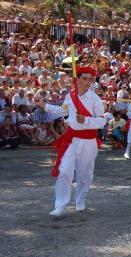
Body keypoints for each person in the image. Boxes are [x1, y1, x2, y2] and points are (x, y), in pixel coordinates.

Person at [35, 66, 106, 217]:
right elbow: (63, 111)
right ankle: (60, 205)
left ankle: (80, 200)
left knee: (84, 174)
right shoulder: (70, 96)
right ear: (77, 79)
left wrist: (86, 120)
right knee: (64, 170)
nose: (87, 82)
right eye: (84, 78)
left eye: (90, 79)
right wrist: (44, 106)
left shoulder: (96, 99)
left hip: (89, 141)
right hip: (71, 139)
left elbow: (101, 122)